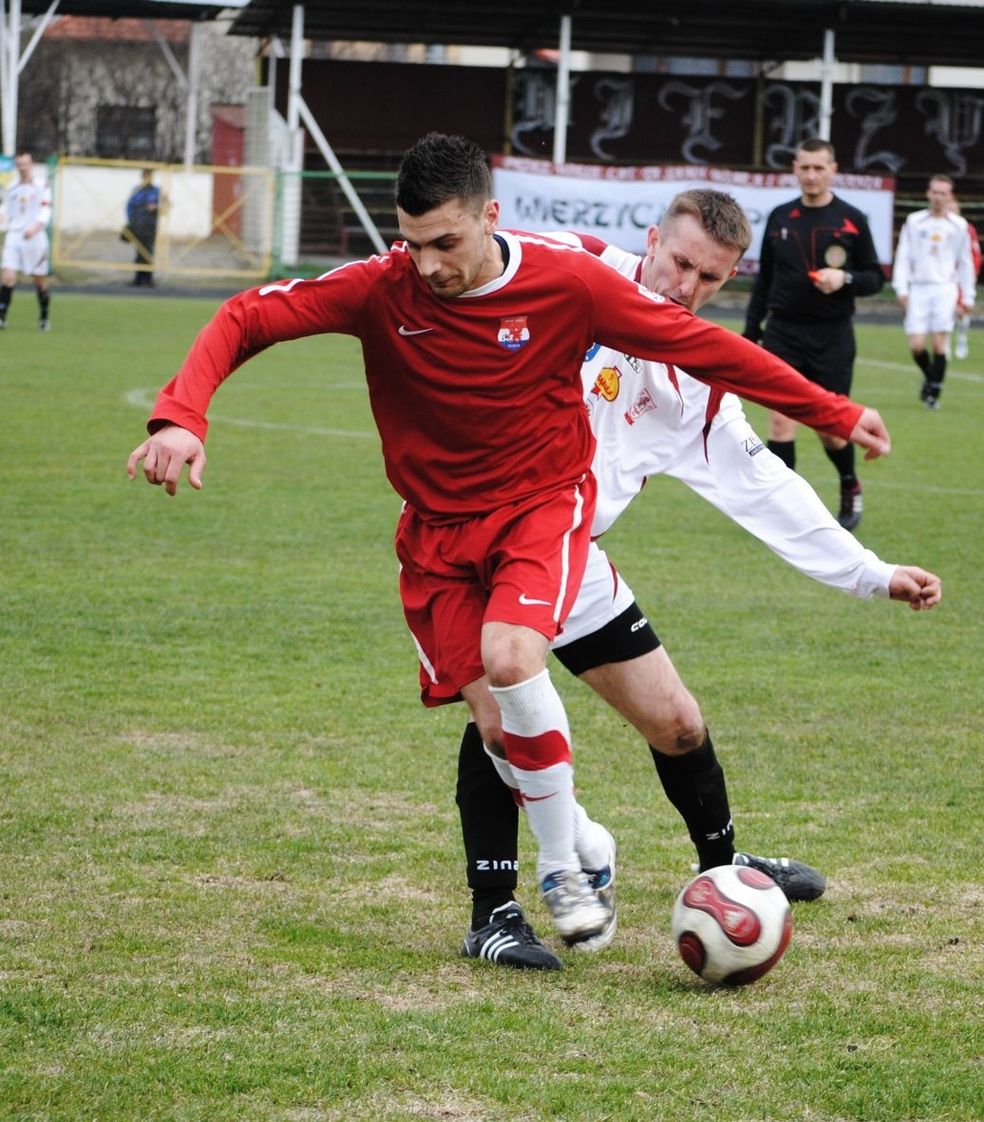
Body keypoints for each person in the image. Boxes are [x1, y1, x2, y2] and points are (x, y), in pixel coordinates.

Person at [126, 132, 892, 959]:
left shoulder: (567, 285)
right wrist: (181, 414)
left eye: (445, 243)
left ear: (489, 217)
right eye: (413, 242)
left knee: (568, 681)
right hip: (438, 539)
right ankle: (525, 888)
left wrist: (833, 413)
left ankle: (590, 866)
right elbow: (250, 315)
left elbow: (712, 352)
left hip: (543, 517)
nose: (426, 264)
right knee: (497, 728)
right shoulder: (386, 289)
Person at [456, 190, 942, 970]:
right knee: (498, 714)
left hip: (574, 556)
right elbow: (474, 249)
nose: (686, 288)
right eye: (680, 263)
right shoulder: (573, 270)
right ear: (650, 240)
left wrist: (870, 574)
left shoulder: (692, 380)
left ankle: (723, 871)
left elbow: (766, 489)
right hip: (483, 541)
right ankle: (495, 912)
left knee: (678, 724)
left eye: (710, 280)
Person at [742, 139, 884, 533]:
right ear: (795, 168)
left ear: (833, 169)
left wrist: (846, 278)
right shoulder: (779, 217)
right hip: (783, 332)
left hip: (832, 336)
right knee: (780, 423)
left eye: (819, 168)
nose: (811, 175)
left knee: (831, 429)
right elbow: (764, 280)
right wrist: (752, 331)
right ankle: (782, 510)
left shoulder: (852, 219)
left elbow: (876, 278)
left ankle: (848, 484)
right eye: (805, 167)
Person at [892, 174, 977, 409]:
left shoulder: (959, 226)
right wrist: (901, 287)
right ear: (928, 193)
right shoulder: (914, 222)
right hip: (919, 288)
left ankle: (933, 395)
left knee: (940, 344)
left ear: (950, 196)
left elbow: (965, 262)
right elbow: (903, 257)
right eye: (935, 192)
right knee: (916, 345)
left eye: (943, 193)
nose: (938, 197)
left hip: (945, 289)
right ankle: (931, 378)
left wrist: (967, 295)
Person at [0, 151, 53, 331]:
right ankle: (2, 317)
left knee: (38, 280)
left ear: (32, 165)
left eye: (26, 164)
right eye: (19, 164)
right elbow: (6, 210)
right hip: (15, 235)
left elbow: (46, 210)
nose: (23, 168)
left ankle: (44, 317)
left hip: (35, 236)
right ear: (16, 166)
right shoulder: (11, 187)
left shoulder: (42, 186)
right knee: (7, 277)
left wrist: (35, 227)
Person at [948, 196, 982, 360]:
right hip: (944, 277)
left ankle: (962, 338)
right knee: (945, 311)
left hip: (961, 277)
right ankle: (944, 344)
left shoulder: (967, 229)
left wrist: (972, 274)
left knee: (962, 310)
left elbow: (974, 254)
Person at [125, 169, 161, 287]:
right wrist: (131, 222)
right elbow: (129, 207)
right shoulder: (137, 191)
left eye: (149, 177)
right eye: (146, 177)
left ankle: (148, 278)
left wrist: (156, 207)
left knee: (148, 252)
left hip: (150, 226)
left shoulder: (156, 191)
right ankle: (138, 278)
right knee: (139, 252)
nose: (148, 179)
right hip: (137, 226)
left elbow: (166, 205)